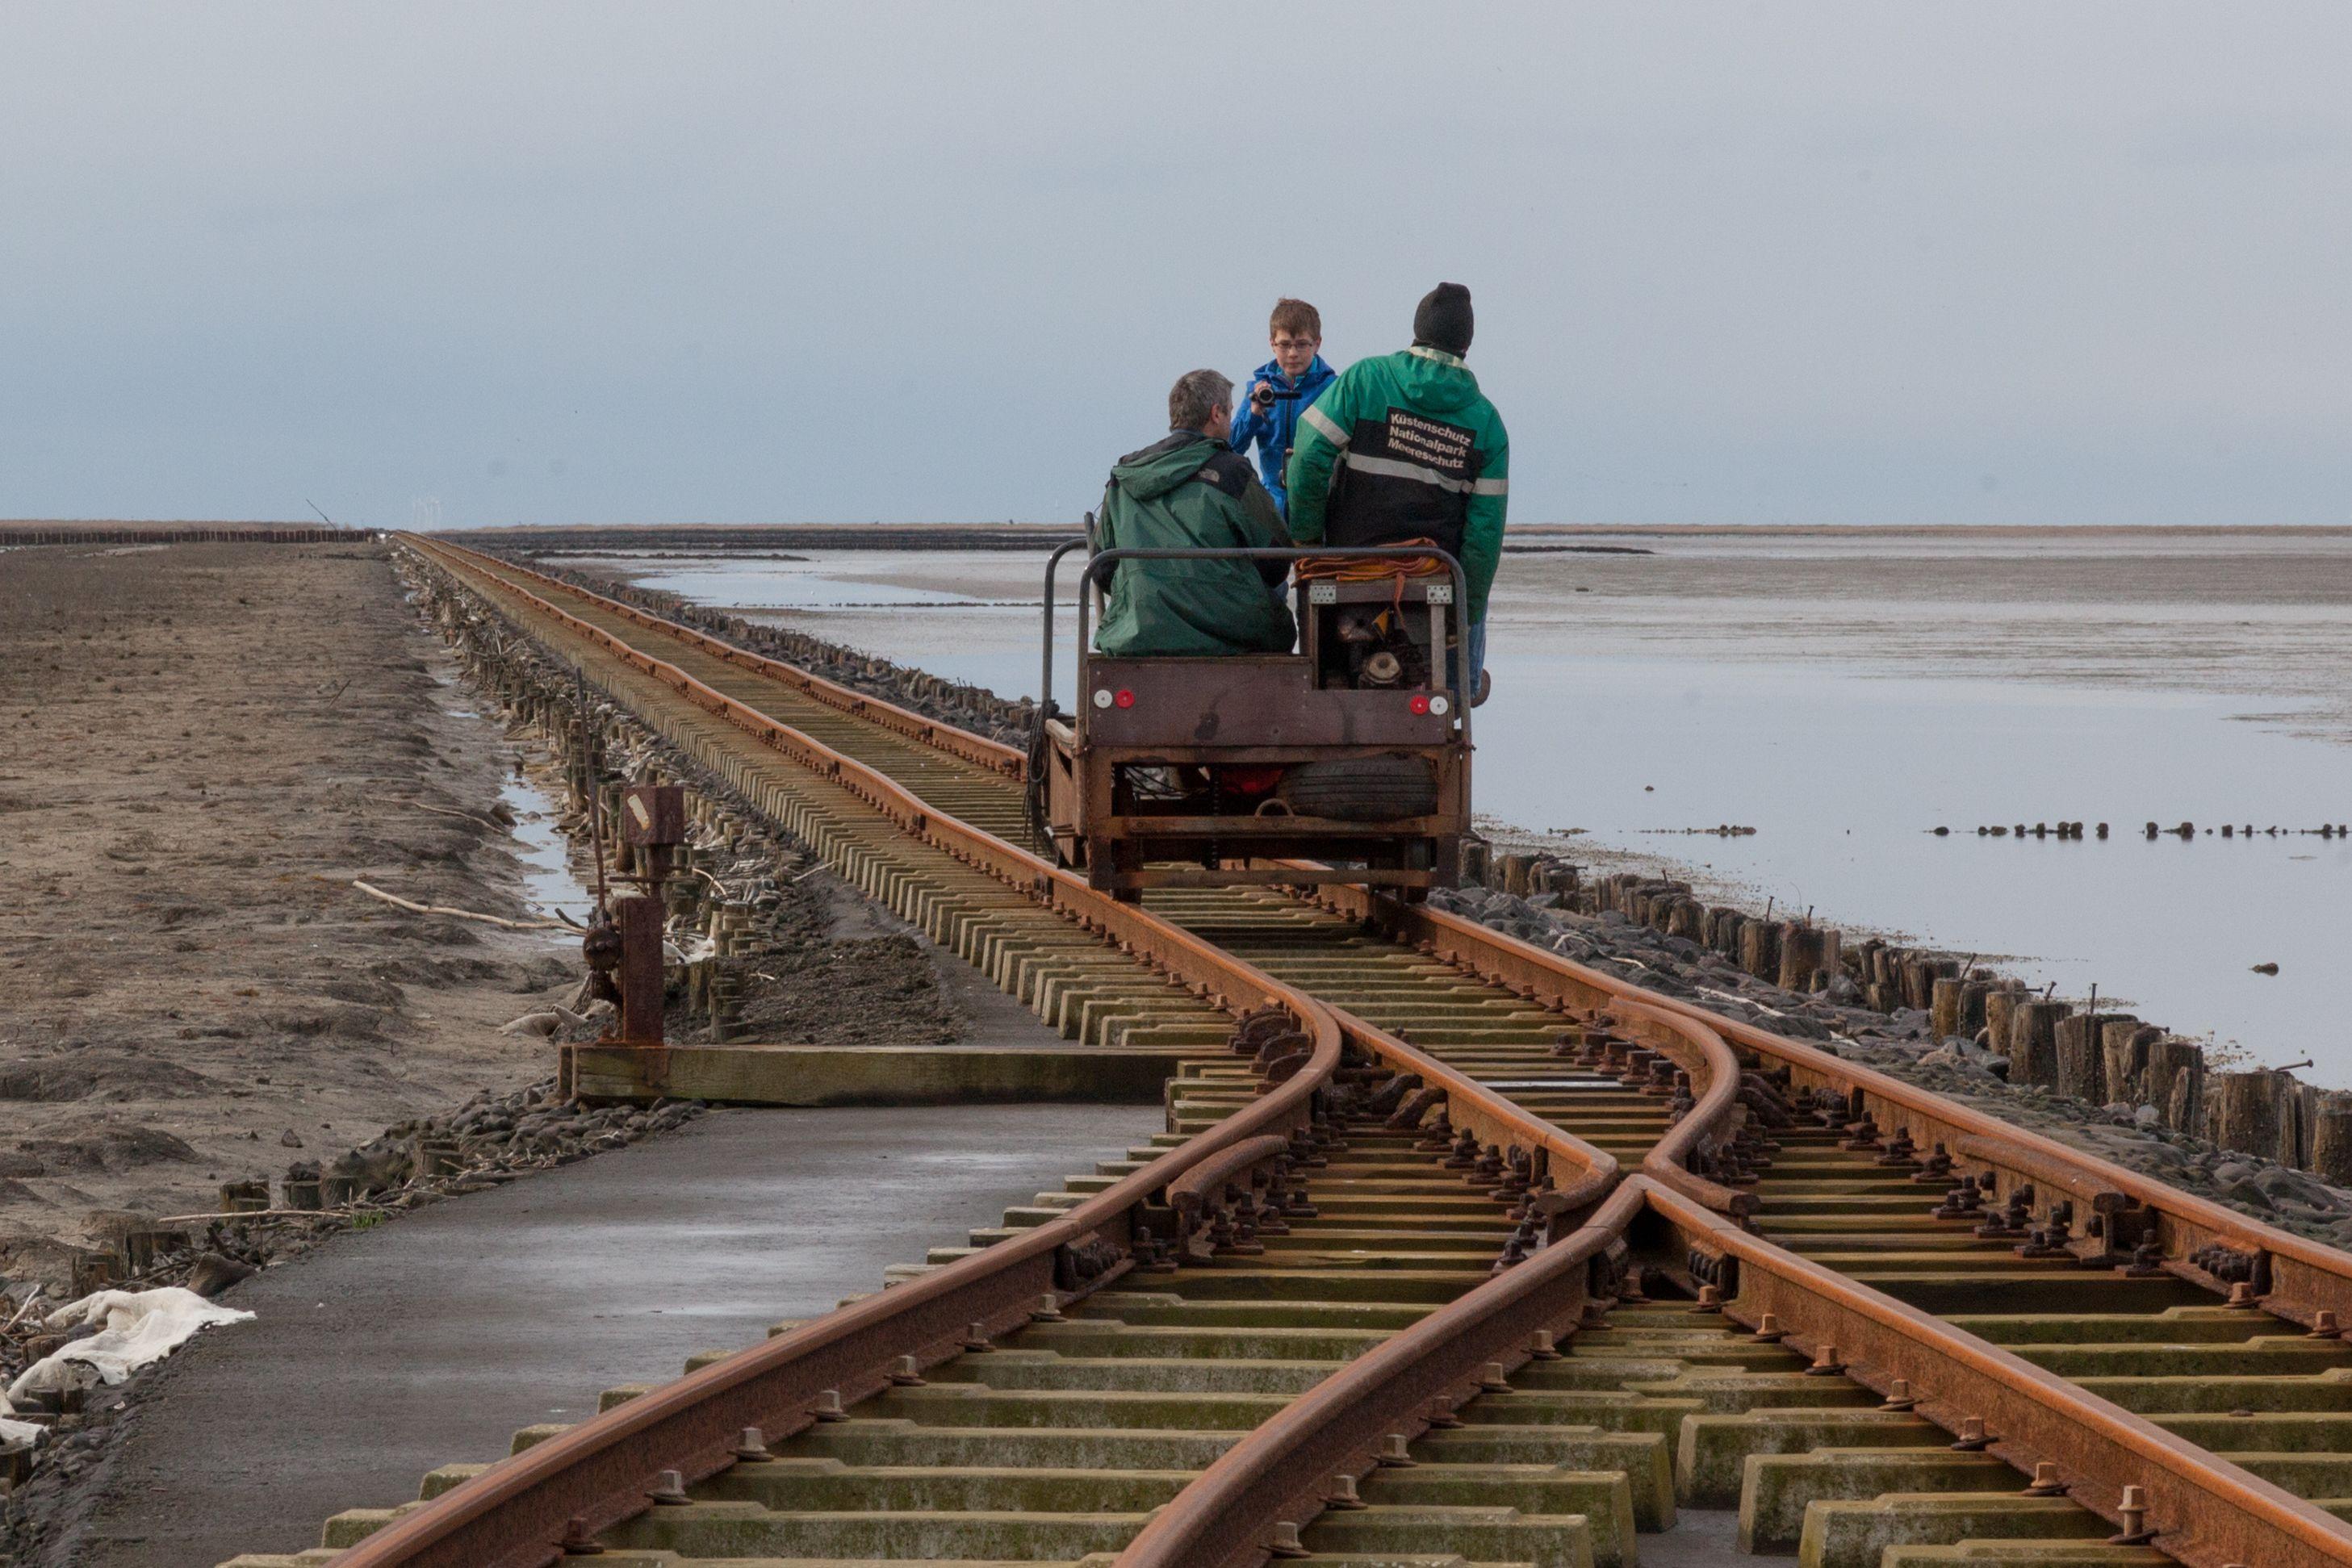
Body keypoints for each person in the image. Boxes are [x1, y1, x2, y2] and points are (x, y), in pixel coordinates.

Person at [1284, 282, 1507, 703]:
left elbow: (1307, 461)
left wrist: (1308, 542)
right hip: (1430, 569)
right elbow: (1485, 537)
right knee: (1473, 587)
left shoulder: (1366, 379)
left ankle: (1319, 686)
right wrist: (1466, 612)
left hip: (1350, 561)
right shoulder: (1486, 422)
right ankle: (1463, 691)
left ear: (1417, 328)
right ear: (1466, 344)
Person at [1090, 368, 1296, 658]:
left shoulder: (1126, 475)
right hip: (1231, 629)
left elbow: (1101, 569)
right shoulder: (1233, 473)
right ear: (1216, 414)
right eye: (1230, 412)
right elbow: (1277, 563)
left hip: (1137, 632)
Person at [1227, 298, 1337, 518]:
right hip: (1272, 506)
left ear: (1317, 343)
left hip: (1319, 503)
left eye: (1302, 344)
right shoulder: (1257, 389)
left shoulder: (1334, 389)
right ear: (1272, 343)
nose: (1293, 353)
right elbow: (1231, 448)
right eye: (1285, 344)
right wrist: (1254, 413)